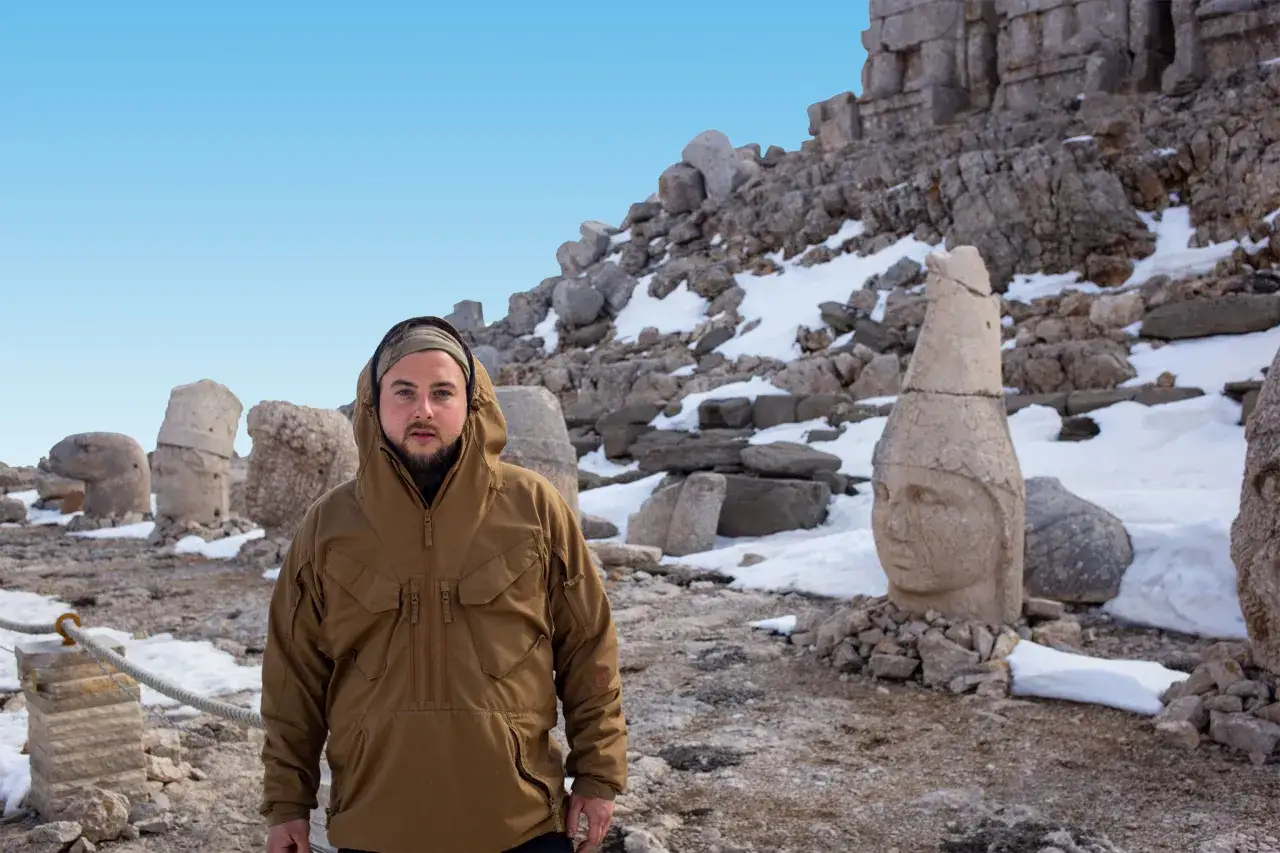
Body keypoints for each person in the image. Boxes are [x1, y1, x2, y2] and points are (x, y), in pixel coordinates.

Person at [258, 316, 628, 853]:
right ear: (374, 403)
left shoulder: (534, 507)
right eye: (403, 392)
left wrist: (598, 777)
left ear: (471, 401)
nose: (423, 410)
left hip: (521, 826)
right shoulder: (328, 525)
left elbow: (588, 648)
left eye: (442, 392)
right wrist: (287, 804)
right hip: (374, 828)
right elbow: (293, 673)